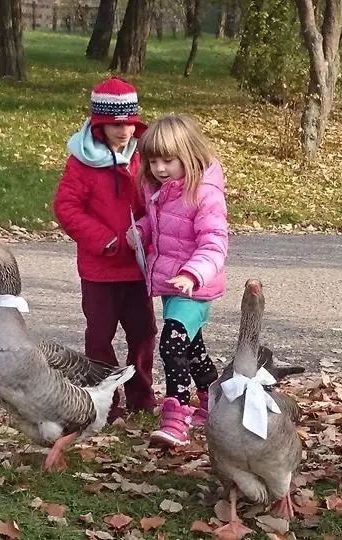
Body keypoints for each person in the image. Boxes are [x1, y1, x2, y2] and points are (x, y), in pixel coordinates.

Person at [53, 77, 157, 417]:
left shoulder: (144, 156)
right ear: (100, 123)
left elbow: (156, 201)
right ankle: (106, 402)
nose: (123, 130)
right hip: (100, 268)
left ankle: (141, 397)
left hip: (138, 267)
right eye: (115, 124)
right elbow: (67, 208)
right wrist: (105, 240)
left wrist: (146, 232)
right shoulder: (82, 161)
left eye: (129, 123)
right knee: (100, 338)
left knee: (143, 333)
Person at [127, 114, 229, 447]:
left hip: (194, 288)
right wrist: (140, 231)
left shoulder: (204, 195)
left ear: (188, 154)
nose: (158, 168)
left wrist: (192, 274)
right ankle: (214, 399)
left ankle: (176, 416)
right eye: (152, 160)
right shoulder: (160, 190)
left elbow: (215, 243)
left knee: (172, 343)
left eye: (167, 160)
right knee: (193, 347)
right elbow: (160, 226)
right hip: (172, 287)